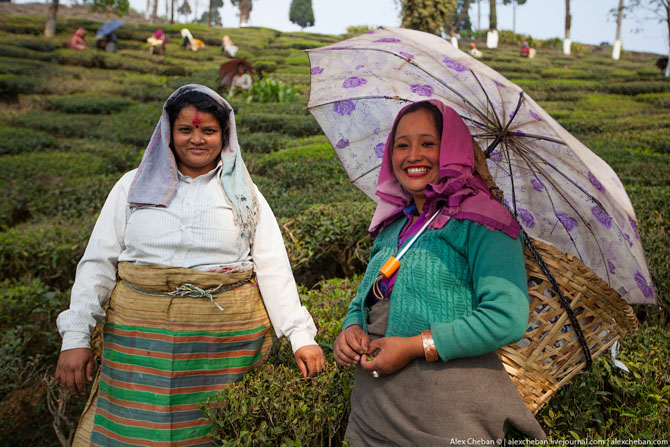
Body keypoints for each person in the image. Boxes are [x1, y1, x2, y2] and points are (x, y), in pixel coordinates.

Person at [55, 84, 325, 447]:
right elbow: (97, 263)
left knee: (213, 432)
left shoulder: (245, 194)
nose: (197, 139)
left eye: (208, 130)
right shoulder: (131, 188)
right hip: (139, 348)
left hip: (222, 349)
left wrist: (300, 337)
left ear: (224, 135)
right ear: (169, 133)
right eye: (186, 129)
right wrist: (76, 336)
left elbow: (273, 267)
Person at [333, 100, 546, 445]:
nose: (413, 155)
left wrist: (415, 346)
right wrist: (351, 328)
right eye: (402, 145)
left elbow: (507, 317)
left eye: (428, 143)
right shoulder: (392, 226)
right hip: (372, 414)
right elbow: (364, 299)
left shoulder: (485, 221)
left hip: (446, 417)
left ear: (452, 150)